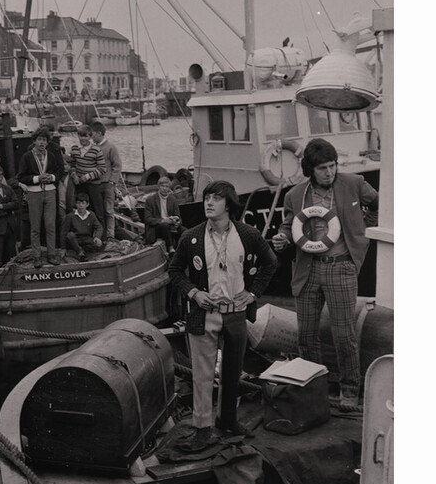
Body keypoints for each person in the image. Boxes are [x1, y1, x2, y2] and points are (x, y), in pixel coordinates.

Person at [271, 137, 379, 414]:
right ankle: (314, 389)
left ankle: (350, 391)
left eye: (332, 166)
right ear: (311, 169)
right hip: (308, 268)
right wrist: (282, 239)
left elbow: (380, 204)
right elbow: (287, 226)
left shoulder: (354, 183)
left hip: (341, 267)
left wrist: (361, 231)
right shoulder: (294, 195)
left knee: (344, 335)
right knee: (306, 336)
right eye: (322, 168)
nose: (329, 172)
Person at [169, 180, 278, 440]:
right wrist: (194, 293)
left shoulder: (248, 235)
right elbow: (174, 271)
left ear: (228, 204)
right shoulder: (191, 237)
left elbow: (270, 263)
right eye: (207, 198)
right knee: (203, 375)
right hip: (203, 315)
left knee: (232, 374)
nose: (208, 203)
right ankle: (202, 427)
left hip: (235, 314)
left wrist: (252, 295)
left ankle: (228, 421)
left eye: (216, 199)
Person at [17, 128, 63, 266]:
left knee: (50, 225)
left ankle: (51, 254)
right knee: (35, 226)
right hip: (34, 193)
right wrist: (38, 178)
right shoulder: (27, 157)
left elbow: (59, 171)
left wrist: (52, 177)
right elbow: (21, 177)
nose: (42, 142)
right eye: (39, 139)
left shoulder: (52, 156)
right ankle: (36, 256)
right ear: (34, 141)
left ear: (47, 142)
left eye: (44, 140)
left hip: (50, 192)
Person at [69, 126, 107, 231]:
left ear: (90, 137)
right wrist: (74, 175)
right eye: (80, 136)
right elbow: (72, 165)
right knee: (83, 211)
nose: (83, 139)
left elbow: (102, 169)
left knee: (98, 211)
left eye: (85, 136)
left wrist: (87, 176)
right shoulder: (74, 149)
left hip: (93, 185)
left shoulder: (96, 150)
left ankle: (102, 239)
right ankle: (85, 236)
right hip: (80, 185)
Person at [89, 120, 122, 242]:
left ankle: (110, 236)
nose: (91, 137)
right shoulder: (92, 148)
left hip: (107, 184)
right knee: (98, 211)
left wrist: (112, 182)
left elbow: (117, 166)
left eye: (92, 134)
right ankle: (99, 235)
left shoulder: (111, 148)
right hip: (95, 184)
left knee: (109, 211)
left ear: (98, 133)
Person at [143, 176, 184, 251]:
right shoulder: (150, 200)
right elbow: (148, 219)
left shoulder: (173, 200)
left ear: (169, 188)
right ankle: (171, 248)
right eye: (162, 186)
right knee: (165, 226)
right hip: (156, 228)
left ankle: (183, 250)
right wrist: (163, 220)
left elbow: (178, 216)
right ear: (158, 187)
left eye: (167, 186)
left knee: (184, 231)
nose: (165, 188)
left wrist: (177, 221)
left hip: (170, 225)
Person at [61, 192, 104, 260]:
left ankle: (80, 251)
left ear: (87, 204)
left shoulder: (91, 215)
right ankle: (79, 251)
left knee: (98, 244)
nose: (81, 205)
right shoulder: (70, 216)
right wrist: (63, 248)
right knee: (70, 235)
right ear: (76, 204)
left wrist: (97, 237)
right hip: (75, 240)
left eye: (83, 203)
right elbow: (64, 232)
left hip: (86, 239)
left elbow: (99, 227)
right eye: (78, 203)